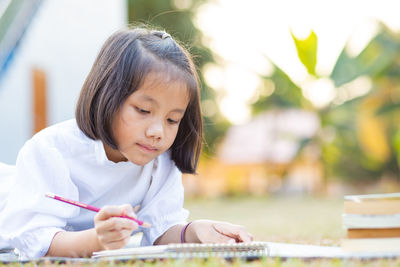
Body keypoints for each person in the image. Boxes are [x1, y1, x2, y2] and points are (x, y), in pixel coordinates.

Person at [0, 27, 253, 259]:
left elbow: (160, 231)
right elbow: (33, 242)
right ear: (106, 94)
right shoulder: (51, 151)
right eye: (143, 110)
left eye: (172, 119)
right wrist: (97, 240)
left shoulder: (160, 161)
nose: (158, 132)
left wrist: (196, 231)